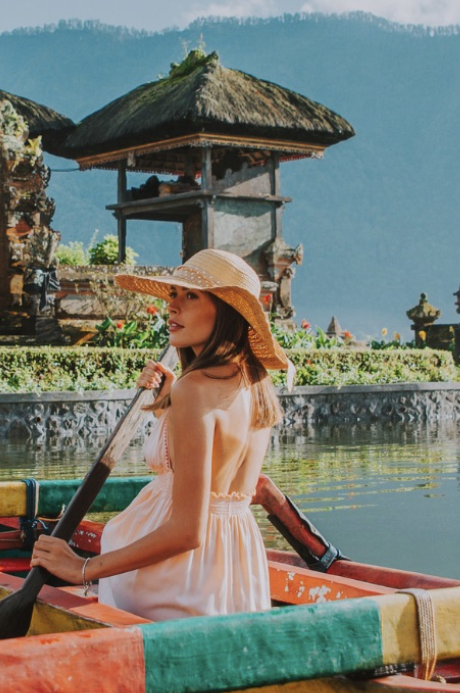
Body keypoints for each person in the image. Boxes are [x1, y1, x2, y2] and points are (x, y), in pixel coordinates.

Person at [30, 248, 292, 621]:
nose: (173, 307)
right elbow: (222, 468)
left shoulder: (195, 389)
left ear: (226, 311)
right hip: (234, 569)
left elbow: (188, 531)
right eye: (173, 295)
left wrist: (83, 569)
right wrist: (169, 401)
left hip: (179, 578)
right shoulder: (255, 384)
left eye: (191, 296)